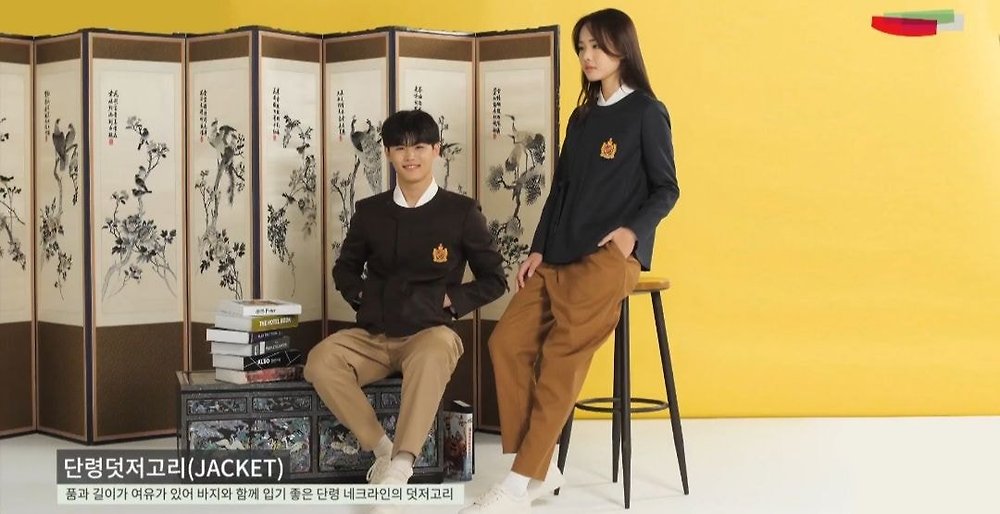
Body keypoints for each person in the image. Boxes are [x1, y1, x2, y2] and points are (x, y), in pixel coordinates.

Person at [462, 8, 680, 512]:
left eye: (597, 46)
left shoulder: (647, 112)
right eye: (582, 47)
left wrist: (630, 233)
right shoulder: (582, 119)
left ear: (623, 48)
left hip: (606, 259)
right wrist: (537, 248)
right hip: (557, 255)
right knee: (506, 343)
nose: (587, 56)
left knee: (561, 360)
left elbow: (667, 188)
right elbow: (559, 190)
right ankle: (538, 468)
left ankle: (518, 483)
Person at [304, 110, 506, 512]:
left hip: (429, 332)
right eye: (399, 147)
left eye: (419, 147)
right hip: (374, 335)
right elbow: (345, 268)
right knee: (320, 361)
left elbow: (494, 279)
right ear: (388, 153)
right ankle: (382, 450)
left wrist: (449, 300)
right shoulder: (370, 211)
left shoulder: (461, 212)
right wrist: (365, 299)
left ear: (436, 151)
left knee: (435, 349)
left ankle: (400, 467)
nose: (409, 156)